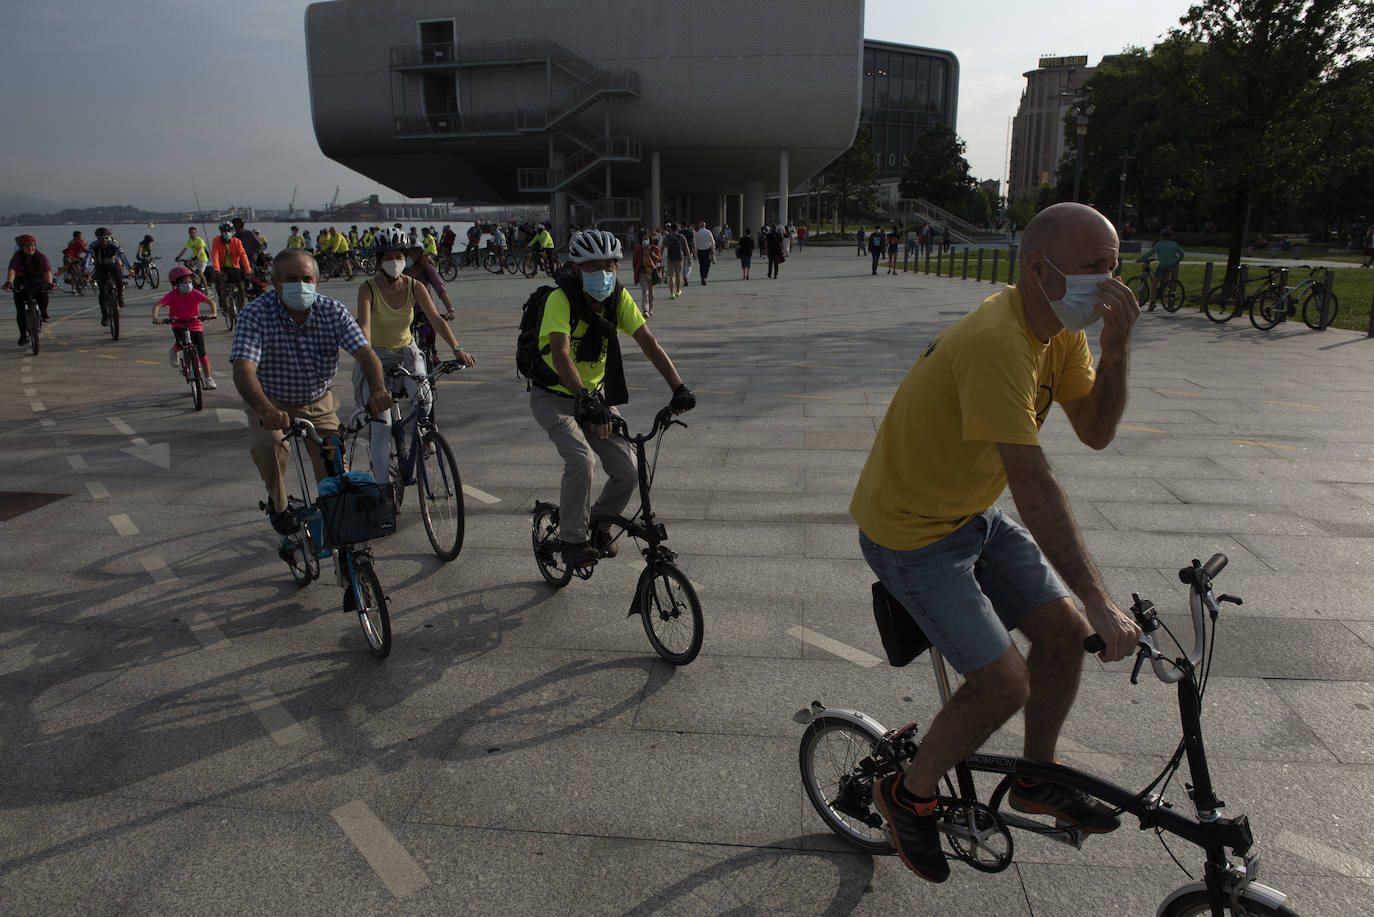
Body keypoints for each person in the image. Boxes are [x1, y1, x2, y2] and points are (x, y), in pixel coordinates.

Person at [851, 202, 1143, 884]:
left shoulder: (1060, 330)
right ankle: (908, 792)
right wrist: (1099, 596)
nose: (1110, 284)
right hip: (911, 533)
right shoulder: (997, 344)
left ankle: (1036, 776)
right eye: (1093, 268)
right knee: (1003, 682)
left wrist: (1118, 350)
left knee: (1064, 633)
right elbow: (1035, 487)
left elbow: (1095, 430)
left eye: (1116, 266)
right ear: (1039, 268)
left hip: (969, 512)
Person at [529, 229, 695, 567]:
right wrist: (585, 396)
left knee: (629, 471)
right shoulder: (558, 300)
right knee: (581, 460)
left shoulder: (618, 299)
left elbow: (648, 342)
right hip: (555, 397)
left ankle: (599, 525)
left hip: (595, 398)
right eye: (593, 266)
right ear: (576, 269)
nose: (603, 273)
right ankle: (572, 541)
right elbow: (561, 354)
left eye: (610, 265)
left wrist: (678, 386)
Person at [231, 248, 393, 536]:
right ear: (276, 282)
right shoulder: (255, 314)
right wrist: (265, 409)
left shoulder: (333, 311)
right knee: (271, 446)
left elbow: (366, 354)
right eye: (291, 279)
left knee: (333, 469)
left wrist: (378, 389)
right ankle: (279, 506)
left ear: (317, 281)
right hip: (272, 403)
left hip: (319, 403)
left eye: (307, 278)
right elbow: (244, 369)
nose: (301, 285)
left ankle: (341, 536)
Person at [354, 229, 476, 486]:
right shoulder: (367, 289)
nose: (396, 260)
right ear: (378, 259)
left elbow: (436, 320)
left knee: (424, 399)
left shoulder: (414, 286)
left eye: (400, 255)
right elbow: (363, 329)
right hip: (375, 356)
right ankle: (383, 489)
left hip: (406, 353)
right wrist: (364, 356)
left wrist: (458, 350)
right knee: (382, 426)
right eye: (388, 256)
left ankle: (420, 439)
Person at [152, 265, 219, 389]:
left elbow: (211, 302)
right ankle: (174, 351)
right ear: (176, 284)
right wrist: (156, 317)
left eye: (189, 282)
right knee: (182, 343)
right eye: (184, 282)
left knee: (202, 353)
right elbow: (157, 305)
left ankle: (208, 378)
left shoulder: (194, 293)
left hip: (195, 324)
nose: (188, 284)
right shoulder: (172, 295)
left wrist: (213, 313)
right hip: (178, 324)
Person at [4, 235, 54, 344]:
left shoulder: (41, 257)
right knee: (20, 310)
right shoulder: (17, 257)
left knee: (44, 294)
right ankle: (23, 335)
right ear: (22, 248)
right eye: (27, 246)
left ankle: (44, 313)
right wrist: (8, 283)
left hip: (38, 281)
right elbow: (12, 271)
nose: (30, 248)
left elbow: (47, 271)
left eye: (32, 246)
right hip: (21, 282)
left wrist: (49, 283)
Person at [1136, 229, 1185, 310]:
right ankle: (1162, 290)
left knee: (1154, 282)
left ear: (1161, 237)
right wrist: (1177, 261)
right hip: (1172, 265)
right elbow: (1182, 253)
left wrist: (1140, 259)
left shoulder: (1159, 244)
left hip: (1162, 265)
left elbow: (1150, 253)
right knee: (1165, 280)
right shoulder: (1174, 244)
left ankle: (1152, 302)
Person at [89, 227, 130, 324]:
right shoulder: (93, 246)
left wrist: (130, 269)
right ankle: (105, 316)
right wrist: (86, 269)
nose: (104, 240)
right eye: (101, 238)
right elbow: (87, 258)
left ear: (109, 237)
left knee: (119, 279)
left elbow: (123, 257)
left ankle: (120, 296)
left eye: (106, 238)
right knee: (102, 293)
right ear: (97, 238)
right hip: (100, 267)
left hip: (113, 265)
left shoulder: (114, 245)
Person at [209, 222, 251, 308]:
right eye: (224, 231)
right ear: (221, 232)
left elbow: (243, 255)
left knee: (241, 287)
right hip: (222, 268)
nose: (227, 232)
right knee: (219, 285)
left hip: (234, 268)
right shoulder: (216, 241)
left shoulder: (237, 241)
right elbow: (215, 255)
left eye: (229, 230)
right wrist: (217, 269)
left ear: (232, 231)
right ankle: (223, 303)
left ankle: (242, 306)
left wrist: (248, 269)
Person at [632, 230, 661, 316]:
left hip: (651, 273)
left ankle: (650, 308)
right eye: (643, 239)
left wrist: (654, 255)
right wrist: (635, 271)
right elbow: (634, 261)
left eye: (647, 238)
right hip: (642, 273)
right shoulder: (638, 249)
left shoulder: (654, 248)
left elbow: (659, 259)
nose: (645, 240)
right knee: (645, 292)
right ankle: (645, 310)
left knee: (651, 293)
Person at [661, 222, 689, 299]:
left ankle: (671, 293)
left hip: (670, 258)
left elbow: (662, 248)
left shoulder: (667, 237)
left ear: (671, 229)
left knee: (671, 276)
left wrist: (659, 257)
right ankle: (678, 291)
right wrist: (689, 258)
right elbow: (686, 248)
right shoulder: (681, 237)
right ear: (678, 229)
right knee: (678, 275)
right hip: (679, 258)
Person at [693, 221, 715, 285]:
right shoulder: (708, 232)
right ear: (705, 226)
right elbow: (712, 241)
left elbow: (695, 244)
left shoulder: (697, 233)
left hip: (700, 251)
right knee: (707, 265)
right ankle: (704, 277)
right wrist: (712, 248)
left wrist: (695, 253)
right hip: (707, 251)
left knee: (701, 265)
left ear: (699, 226)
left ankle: (702, 277)